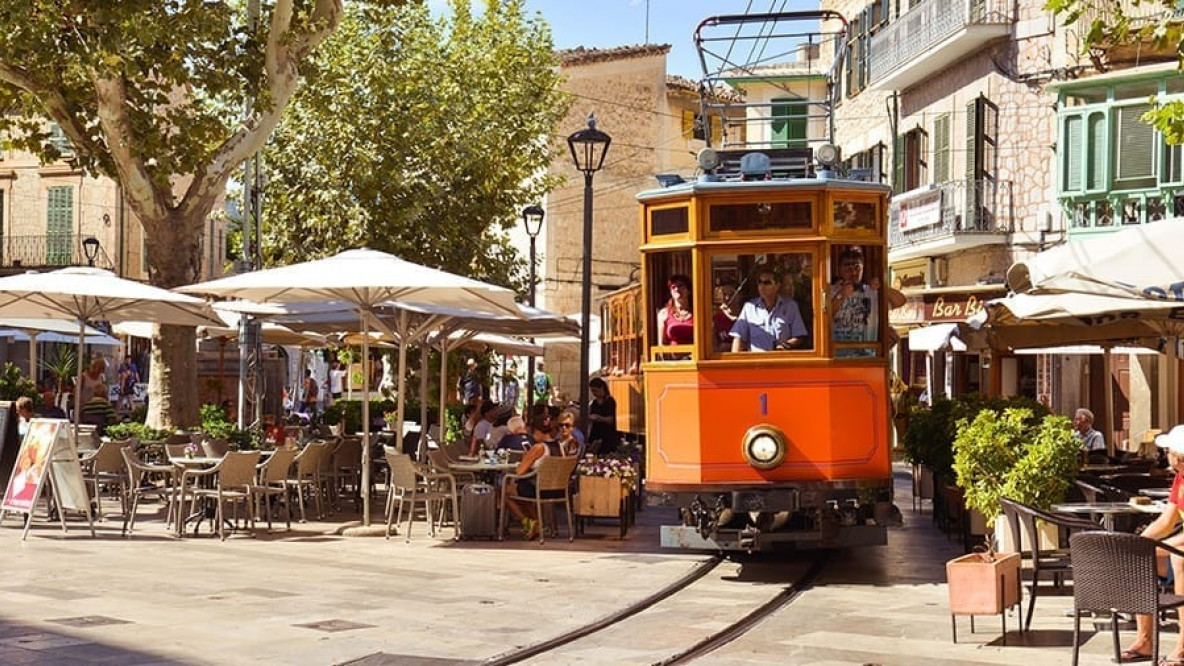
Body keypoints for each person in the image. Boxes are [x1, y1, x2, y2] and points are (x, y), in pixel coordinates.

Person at [1123, 425, 1184, 663]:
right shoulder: (1180, 479)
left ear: (1177, 457)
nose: (1165, 454)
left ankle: (1182, 647)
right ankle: (1145, 640)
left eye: (1168, 450)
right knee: (1139, 557)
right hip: (1179, 545)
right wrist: (1140, 543)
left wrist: (1167, 544)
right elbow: (1166, 521)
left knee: (1180, 560)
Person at [504, 419, 560, 540]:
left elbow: (519, 472)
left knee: (503, 491)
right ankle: (537, 523)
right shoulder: (559, 446)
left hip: (539, 489)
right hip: (557, 490)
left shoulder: (539, 447)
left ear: (538, 432)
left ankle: (527, 522)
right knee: (522, 489)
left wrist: (526, 457)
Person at [730, 267, 808, 352]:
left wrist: (785, 345)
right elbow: (738, 336)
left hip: (780, 360)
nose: (762, 286)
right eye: (759, 282)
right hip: (757, 361)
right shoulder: (749, 307)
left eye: (767, 283)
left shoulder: (790, 306)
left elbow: (799, 336)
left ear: (777, 285)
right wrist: (733, 362)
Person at [829, 248, 880, 343]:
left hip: (866, 353)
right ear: (839, 269)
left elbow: (900, 301)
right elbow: (823, 317)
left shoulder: (871, 291)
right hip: (837, 353)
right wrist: (841, 295)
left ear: (863, 269)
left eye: (857, 267)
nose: (852, 272)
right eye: (847, 267)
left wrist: (883, 286)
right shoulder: (830, 291)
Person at [656, 274, 694, 346]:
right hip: (672, 357)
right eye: (673, 287)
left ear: (688, 290)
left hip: (694, 356)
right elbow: (661, 344)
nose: (676, 289)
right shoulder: (664, 313)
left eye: (680, 286)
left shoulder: (698, 313)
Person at [587, 377, 619, 455]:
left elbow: (610, 420)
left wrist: (599, 418)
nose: (594, 393)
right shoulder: (594, 403)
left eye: (595, 391)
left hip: (607, 435)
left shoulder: (610, 401)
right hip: (596, 434)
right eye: (592, 391)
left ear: (602, 388)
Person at [712, 279, 740, 351]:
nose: (727, 298)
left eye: (731, 295)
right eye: (724, 294)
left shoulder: (745, 317)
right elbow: (713, 348)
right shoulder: (716, 319)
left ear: (739, 295)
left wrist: (728, 346)